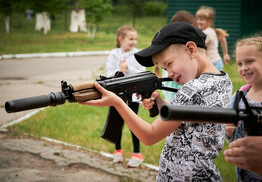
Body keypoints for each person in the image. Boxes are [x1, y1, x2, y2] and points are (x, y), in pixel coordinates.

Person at [80, 22, 233, 181]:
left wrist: (117, 103)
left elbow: (149, 136)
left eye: (169, 64)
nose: (169, 73)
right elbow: (189, 118)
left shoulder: (192, 89)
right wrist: (160, 101)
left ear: (191, 50)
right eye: (164, 68)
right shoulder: (222, 80)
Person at [224, 36, 262, 181]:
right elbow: (237, 141)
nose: (244, 68)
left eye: (249, 61)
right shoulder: (237, 99)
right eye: (240, 63)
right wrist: (229, 135)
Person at [106, 25, 145, 167]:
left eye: (136, 39)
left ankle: (137, 154)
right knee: (116, 122)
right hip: (116, 94)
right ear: (121, 39)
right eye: (131, 39)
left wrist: (127, 69)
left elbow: (142, 74)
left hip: (133, 95)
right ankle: (117, 151)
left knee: (133, 123)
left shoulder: (138, 54)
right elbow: (109, 74)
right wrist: (119, 70)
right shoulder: (113, 54)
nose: (134, 42)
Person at [196, 6, 231, 71]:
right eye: (198, 19)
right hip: (217, 61)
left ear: (209, 21)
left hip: (213, 63)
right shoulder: (212, 30)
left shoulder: (207, 33)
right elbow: (223, 39)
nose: (198, 21)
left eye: (202, 20)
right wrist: (225, 53)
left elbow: (202, 48)